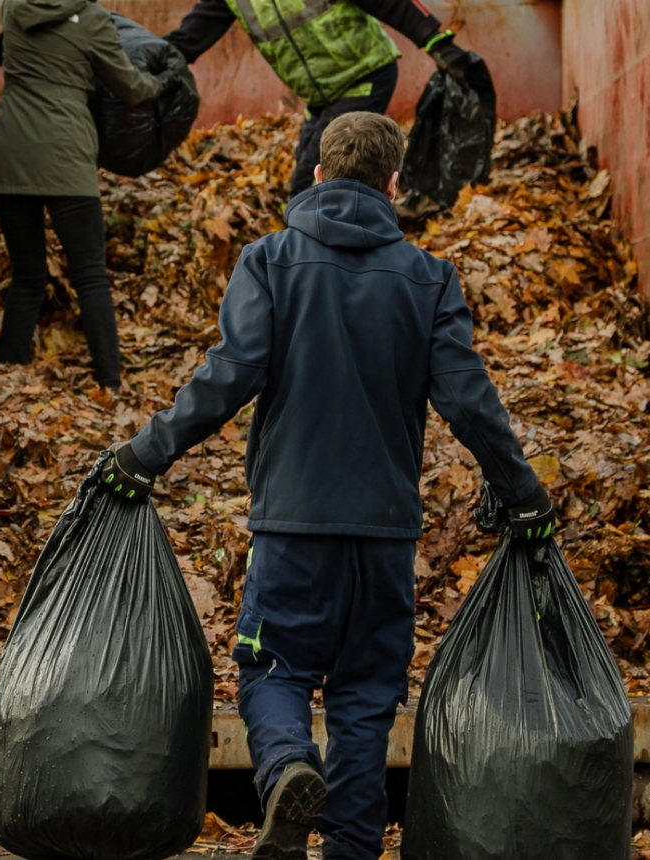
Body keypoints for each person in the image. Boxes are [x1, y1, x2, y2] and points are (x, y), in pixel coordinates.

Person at [97, 112, 554, 860]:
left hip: (292, 530)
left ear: (317, 174)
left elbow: (229, 376)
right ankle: (349, 848)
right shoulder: (429, 278)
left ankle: (286, 767)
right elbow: (468, 399)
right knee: (367, 697)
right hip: (385, 538)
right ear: (393, 185)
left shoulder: (269, 261)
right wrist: (523, 491)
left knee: (271, 668)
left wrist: (145, 455)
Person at [0, 0, 180, 390]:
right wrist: (162, 85)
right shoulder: (93, 19)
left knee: (27, 276)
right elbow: (129, 86)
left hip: (10, 154)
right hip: (66, 156)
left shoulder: (13, 7)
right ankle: (111, 383)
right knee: (90, 275)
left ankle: (7, 376)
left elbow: (2, 51)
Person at [162, 0, 472, 198]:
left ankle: (334, 259)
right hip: (321, 95)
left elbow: (390, 3)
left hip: (364, 74)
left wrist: (433, 39)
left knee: (320, 186)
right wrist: (147, 61)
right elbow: (189, 39)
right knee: (307, 182)